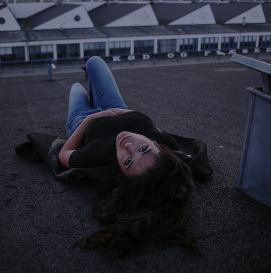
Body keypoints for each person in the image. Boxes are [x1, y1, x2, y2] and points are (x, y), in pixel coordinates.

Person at [57, 56, 203, 258]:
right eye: (144, 149)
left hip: (83, 121)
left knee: (75, 88)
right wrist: (128, 113)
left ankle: (86, 95)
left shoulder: (94, 155)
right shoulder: (167, 143)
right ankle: (92, 83)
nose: (128, 146)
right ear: (159, 147)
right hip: (117, 107)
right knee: (94, 62)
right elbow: (153, 128)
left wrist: (90, 118)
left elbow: (63, 153)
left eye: (127, 161)